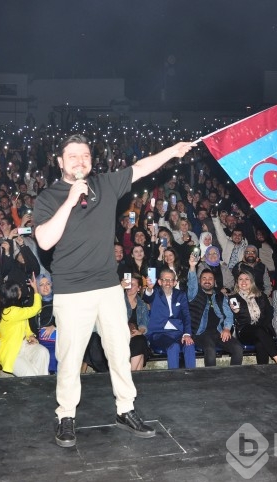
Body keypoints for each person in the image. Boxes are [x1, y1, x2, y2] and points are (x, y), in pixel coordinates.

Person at [33, 134, 193, 447]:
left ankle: (126, 409)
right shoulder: (49, 197)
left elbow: (141, 167)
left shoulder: (105, 184)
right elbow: (44, 240)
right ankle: (66, 415)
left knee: (120, 350)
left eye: (85, 155)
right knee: (69, 357)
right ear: (60, 162)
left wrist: (172, 151)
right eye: (73, 156)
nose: (80, 161)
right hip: (72, 291)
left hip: (107, 287)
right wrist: (70, 199)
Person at [187, 264, 244, 367]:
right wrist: (192, 267)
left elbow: (229, 314)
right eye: (204, 278)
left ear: (215, 282)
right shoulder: (194, 294)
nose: (207, 281)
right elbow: (191, 283)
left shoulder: (220, 296)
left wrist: (227, 329)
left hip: (219, 332)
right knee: (210, 350)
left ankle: (234, 376)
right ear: (199, 281)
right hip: (201, 333)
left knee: (238, 348)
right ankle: (211, 381)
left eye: (210, 278)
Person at [144, 268, 195, 370]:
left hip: (177, 332)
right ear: (159, 281)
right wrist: (149, 288)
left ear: (175, 282)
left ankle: (192, 378)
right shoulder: (155, 292)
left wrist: (187, 334)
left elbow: (186, 316)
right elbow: (147, 297)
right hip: (158, 332)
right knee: (174, 346)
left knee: (189, 344)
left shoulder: (180, 295)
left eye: (171, 280)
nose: (168, 282)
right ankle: (173, 379)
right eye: (165, 280)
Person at [0, 278, 50, 377]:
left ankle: (42, 383)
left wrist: (30, 335)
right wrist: (36, 290)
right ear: (13, 294)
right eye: (19, 289)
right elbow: (36, 309)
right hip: (13, 353)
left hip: (24, 345)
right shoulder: (10, 312)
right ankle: (39, 384)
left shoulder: (15, 309)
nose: (21, 290)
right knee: (32, 376)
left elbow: (24, 324)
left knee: (43, 352)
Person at [228, 271, 277, 364]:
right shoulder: (233, 297)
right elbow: (233, 316)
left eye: (246, 279)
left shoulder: (261, 296)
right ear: (237, 282)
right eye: (240, 279)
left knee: (260, 343)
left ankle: (263, 371)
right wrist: (236, 312)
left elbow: (269, 314)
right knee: (258, 331)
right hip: (244, 330)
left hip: (263, 329)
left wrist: (262, 326)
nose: (243, 282)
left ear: (251, 281)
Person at [123, 273, 150, 371]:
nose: (129, 286)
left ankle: (130, 376)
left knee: (140, 340)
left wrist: (140, 331)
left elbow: (144, 323)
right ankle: (133, 377)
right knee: (141, 348)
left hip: (135, 335)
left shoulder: (142, 304)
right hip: (120, 336)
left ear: (139, 288)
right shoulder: (118, 300)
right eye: (128, 283)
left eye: (133, 284)